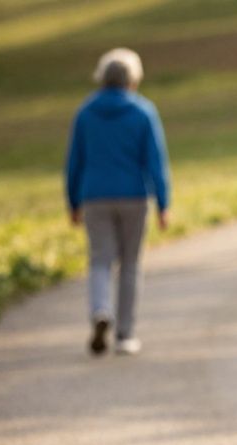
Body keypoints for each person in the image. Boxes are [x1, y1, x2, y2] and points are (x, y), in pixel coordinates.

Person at [65, 48, 170, 357]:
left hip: (94, 195)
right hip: (134, 196)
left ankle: (101, 310)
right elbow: (156, 161)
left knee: (100, 260)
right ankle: (125, 333)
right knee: (130, 264)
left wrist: (72, 200)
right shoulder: (143, 112)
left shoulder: (85, 113)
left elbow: (75, 161)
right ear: (133, 80)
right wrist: (164, 202)